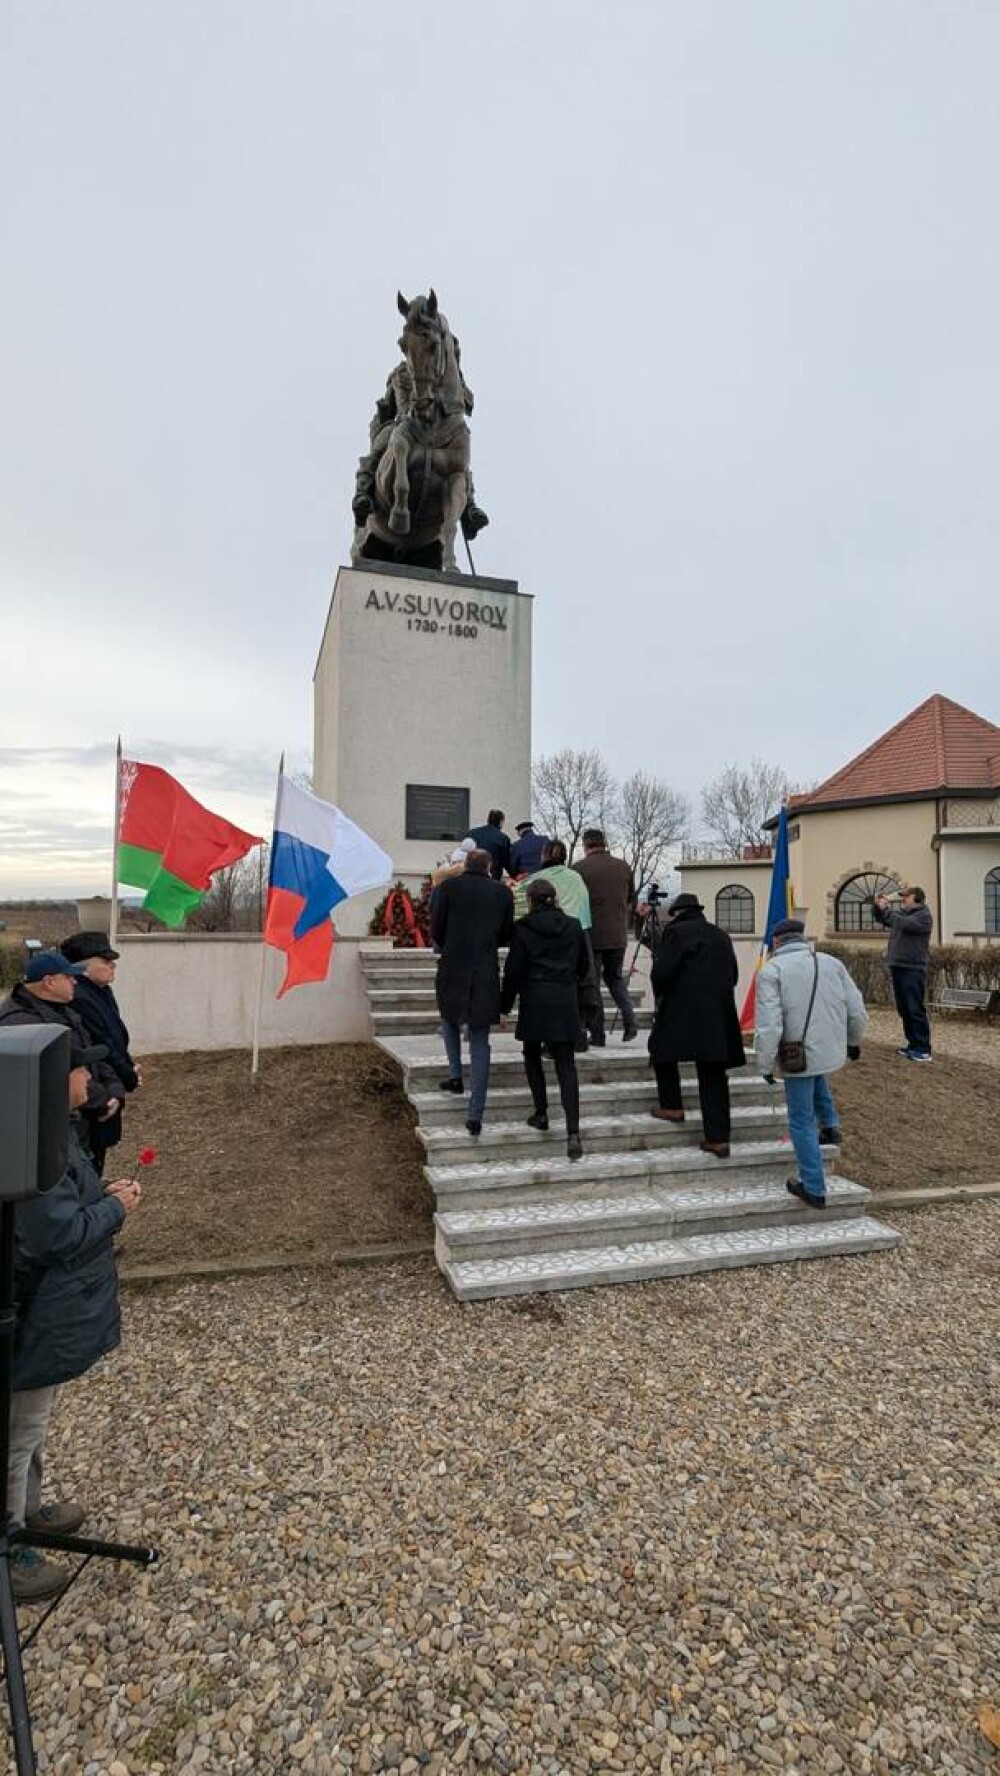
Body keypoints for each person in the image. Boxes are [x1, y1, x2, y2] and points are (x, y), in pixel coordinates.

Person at [8, 1062, 142, 1602]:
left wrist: (101, 1193)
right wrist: (115, 1208)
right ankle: (11, 1545)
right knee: (17, 1432)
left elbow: (65, 1202)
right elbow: (54, 1235)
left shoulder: (52, 1130)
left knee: (32, 1422)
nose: (91, 1078)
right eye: (80, 1068)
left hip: (49, 1312)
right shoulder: (29, 1142)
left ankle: (29, 1509)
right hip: (34, 1310)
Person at [755, 918, 868, 1209]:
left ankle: (814, 1186)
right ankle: (830, 1126)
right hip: (830, 1049)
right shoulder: (831, 962)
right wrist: (853, 1041)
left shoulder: (772, 971)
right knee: (817, 1075)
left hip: (798, 1055)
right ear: (801, 937)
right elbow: (856, 1009)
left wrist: (765, 1064)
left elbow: (769, 1025)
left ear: (778, 941)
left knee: (801, 1121)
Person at [0, 952, 125, 1170]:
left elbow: (92, 1053)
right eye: (68, 977)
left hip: (83, 1124)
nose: (75, 981)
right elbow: (55, 1075)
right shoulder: (22, 1026)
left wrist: (115, 1088)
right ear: (49, 982)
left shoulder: (65, 1011)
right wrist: (102, 1100)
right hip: (56, 1132)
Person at [647, 893, 745, 1158]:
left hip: (683, 1010)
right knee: (713, 1073)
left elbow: (663, 973)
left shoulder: (676, 933)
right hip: (718, 1013)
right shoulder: (720, 935)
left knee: (660, 1049)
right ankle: (718, 1138)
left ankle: (672, 1105)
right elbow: (733, 975)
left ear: (677, 913)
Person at [501, 877, 590, 1160]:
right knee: (566, 1065)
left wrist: (504, 1004)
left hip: (535, 997)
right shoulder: (574, 926)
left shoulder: (523, 928)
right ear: (555, 898)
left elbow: (514, 970)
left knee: (531, 1054)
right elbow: (584, 966)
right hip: (564, 997)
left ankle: (541, 1112)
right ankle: (573, 1132)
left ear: (530, 900)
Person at [430, 849, 514, 1137]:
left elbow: (437, 929)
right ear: (489, 867)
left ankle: (455, 1075)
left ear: (465, 865)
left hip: (453, 966)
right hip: (485, 971)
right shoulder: (502, 893)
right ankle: (475, 1114)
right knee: (480, 1041)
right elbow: (505, 933)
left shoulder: (448, 888)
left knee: (449, 1021)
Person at [59, 931, 141, 1174]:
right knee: (89, 1162)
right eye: (105, 961)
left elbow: (115, 1039)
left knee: (97, 1156)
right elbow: (99, 1045)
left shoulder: (100, 991)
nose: (112, 965)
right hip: (92, 1095)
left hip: (107, 1086)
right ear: (84, 965)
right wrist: (127, 1075)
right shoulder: (79, 997)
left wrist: (128, 1067)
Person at [516, 840, 600, 1050]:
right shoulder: (576, 877)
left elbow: (519, 908)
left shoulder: (536, 880)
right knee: (580, 985)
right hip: (577, 934)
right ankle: (579, 1031)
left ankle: (549, 1039)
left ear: (543, 856)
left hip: (545, 938)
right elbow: (584, 908)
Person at [573, 829, 639, 1043]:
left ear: (586, 845)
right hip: (618, 934)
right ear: (603, 842)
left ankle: (598, 1033)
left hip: (591, 935)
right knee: (616, 979)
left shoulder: (579, 869)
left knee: (592, 984)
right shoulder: (623, 866)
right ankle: (630, 1021)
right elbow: (632, 900)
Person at [872, 886, 933, 1062]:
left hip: (913, 968)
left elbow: (902, 923)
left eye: (906, 897)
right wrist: (878, 906)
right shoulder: (903, 915)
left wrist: (887, 909)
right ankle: (912, 1044)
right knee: (904, 1008)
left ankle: (923, 1049)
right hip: (899, 966)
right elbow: (883, 918)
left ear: (917, 898)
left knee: (914, 1008)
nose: (903, 899)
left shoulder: (923, 916)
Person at [466, 810, 511, 880]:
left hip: (470, 875)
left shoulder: (472, 833)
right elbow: (506, 860)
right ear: (501, 821)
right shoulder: (503, 838)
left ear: (488, 820)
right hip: (492, 876)